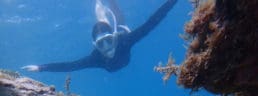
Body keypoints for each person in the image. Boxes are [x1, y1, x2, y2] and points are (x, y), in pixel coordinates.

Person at [22, 0, 177, 73]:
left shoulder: (125, 41)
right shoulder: (95, 58)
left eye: (108, 40)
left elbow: (151, 23)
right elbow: (70, 65)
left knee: (118, 19)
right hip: (112, 31)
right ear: (95, 46)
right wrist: (41, 68)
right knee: (101, 21)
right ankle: (99, 5)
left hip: (122, 29)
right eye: (101, 44)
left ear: (114, 38)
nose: (107, 47)